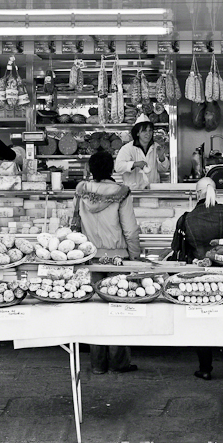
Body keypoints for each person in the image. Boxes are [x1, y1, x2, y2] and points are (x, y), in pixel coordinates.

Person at [74, 150, 140, 374]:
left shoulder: (82, 191)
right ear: (112, 169)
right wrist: (134, 256)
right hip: (116, 259)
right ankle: (120, 363)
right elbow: (130, 229)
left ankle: (97, 365)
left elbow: (75, 223)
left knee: (95, 311)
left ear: (91, 170)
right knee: (118, 308)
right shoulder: (121, 192)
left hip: (89, 257)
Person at [176, 177, 223, 381]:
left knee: (201, 320)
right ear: (215, 192)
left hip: (199, 275)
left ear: (197, 194)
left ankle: (205, 368)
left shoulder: (187, 217)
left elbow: (179, 248)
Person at [114, 115, 169, 190]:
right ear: (137, 133)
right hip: (134, 191)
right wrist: (134, 164)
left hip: (153, 192)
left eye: (150, 130)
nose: (148, 133)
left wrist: (161, 157)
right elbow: (118, 167)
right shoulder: (127, 148)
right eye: (144, 131)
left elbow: (164, 169)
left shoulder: (157, 147)